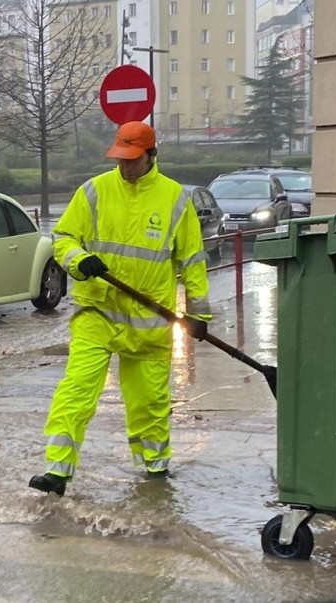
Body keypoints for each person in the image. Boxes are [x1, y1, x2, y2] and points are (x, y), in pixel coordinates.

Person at [28, 120, 211, 497]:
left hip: (149, 319)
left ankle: (155, 471)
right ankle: (56, 473)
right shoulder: (94, 191)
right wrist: (80, 260)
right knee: (77, 390)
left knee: (150, 403)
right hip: (97, 311)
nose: (126, 166)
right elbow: (62, 237)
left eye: (133, 159)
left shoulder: (175, 199)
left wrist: (198, 314)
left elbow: (192, 260)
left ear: (151, 156)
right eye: (121, 159)